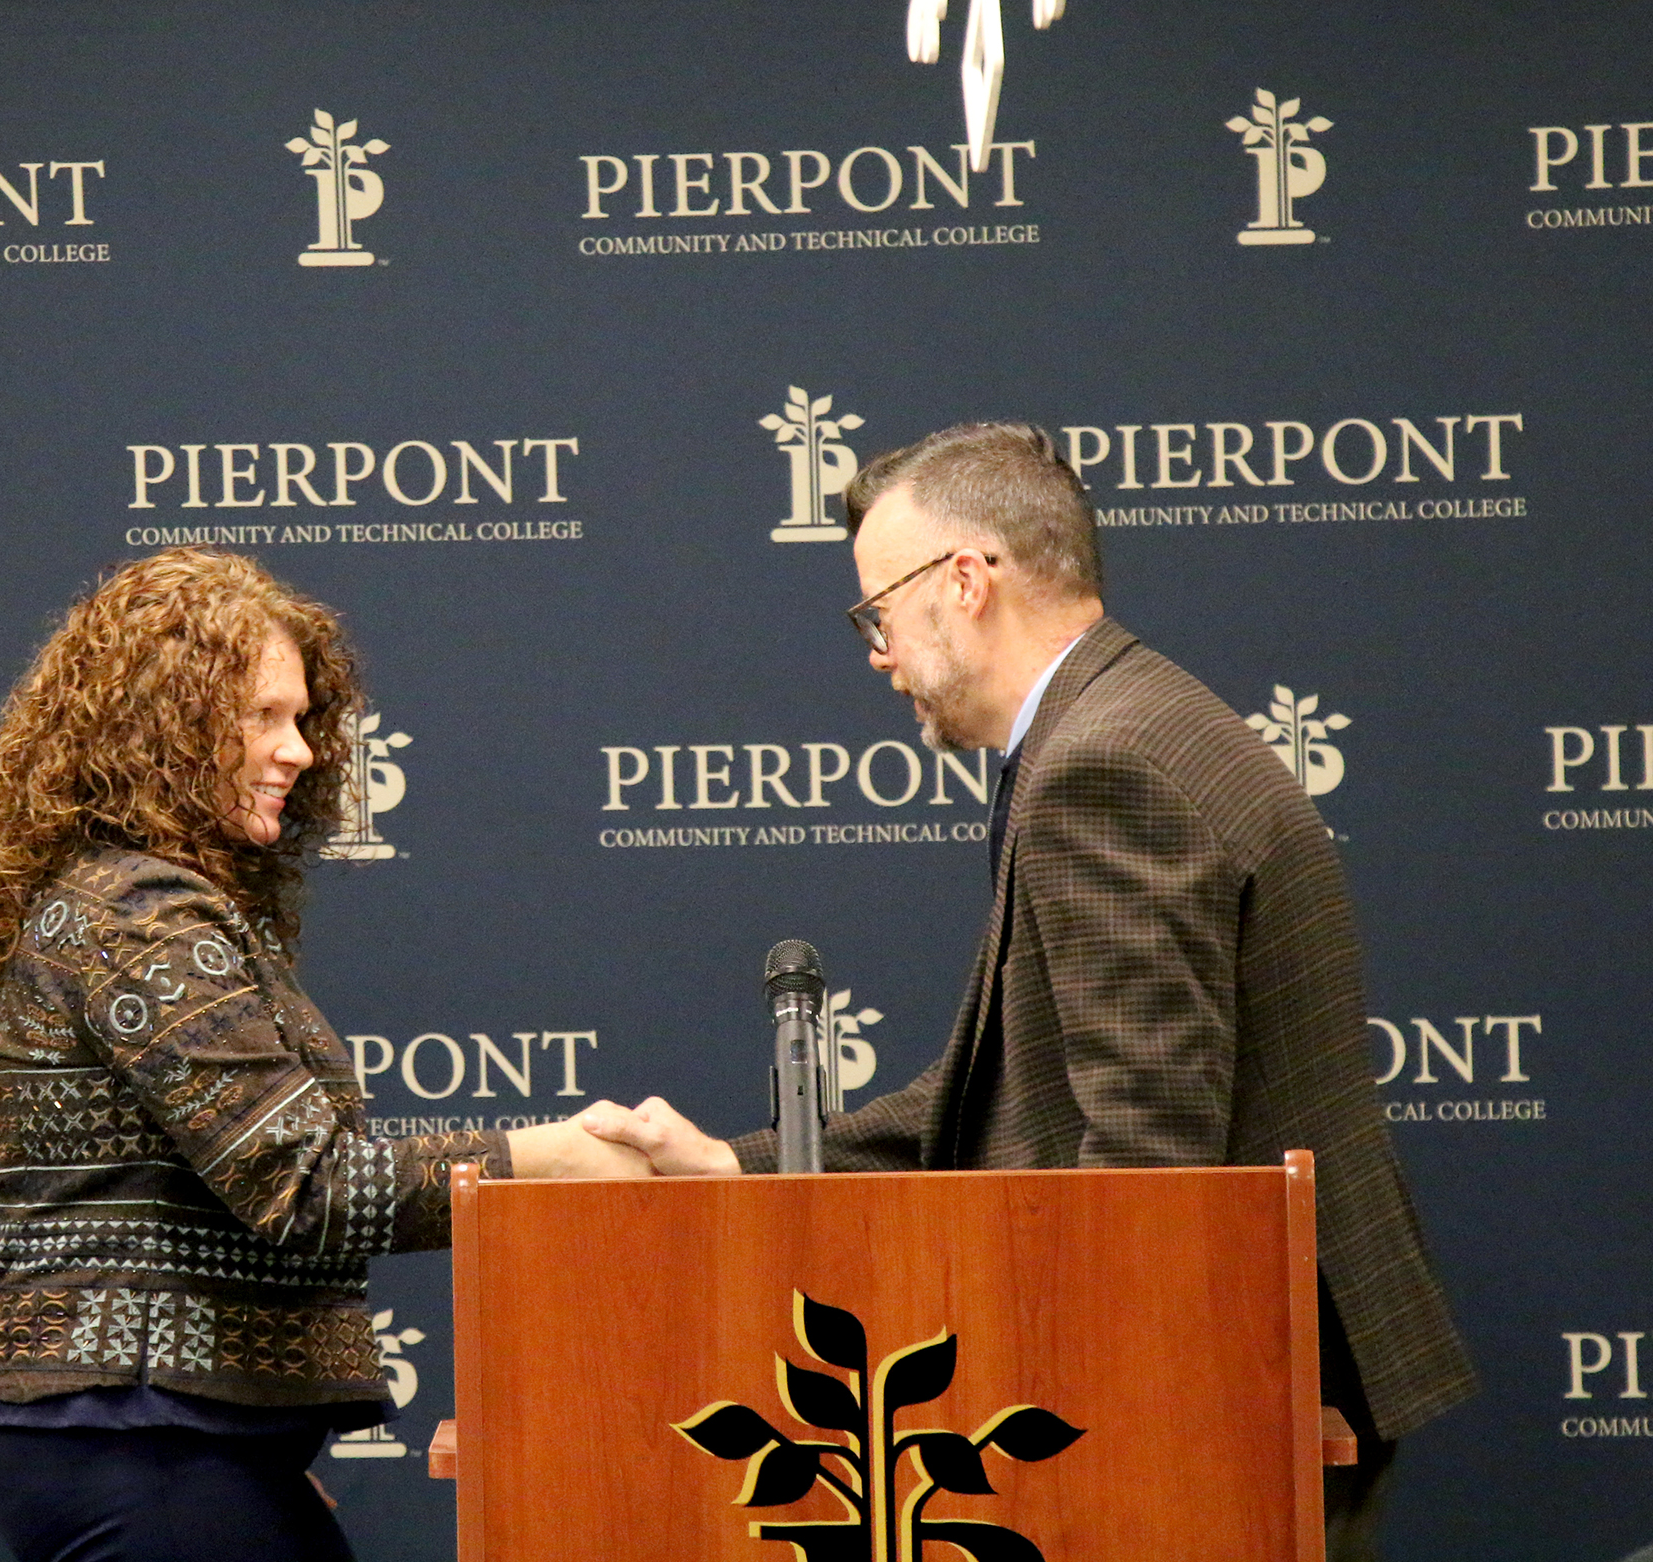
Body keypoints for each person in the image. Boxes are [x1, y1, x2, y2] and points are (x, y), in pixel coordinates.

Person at [582, 422, 1477, 1561]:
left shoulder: (1101, 767)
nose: (876, 652)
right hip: (1256, 1368)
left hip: (1221, 1399)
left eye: (876, 611)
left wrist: (1044, 1409)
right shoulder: (1119, 723)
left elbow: (1145, 1175)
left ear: (963, 582)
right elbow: (995, 1094)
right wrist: (736, 1165)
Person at [0, 548, 647, 1562]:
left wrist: (244, 1436)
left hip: (173, 1436)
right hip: (142, 1443)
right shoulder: (138, 912)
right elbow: (300, 1183)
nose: (299, 749)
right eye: (261, 715)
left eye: (301, 717)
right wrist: (545, 1156)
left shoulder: (127, 895)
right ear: (161, 725)